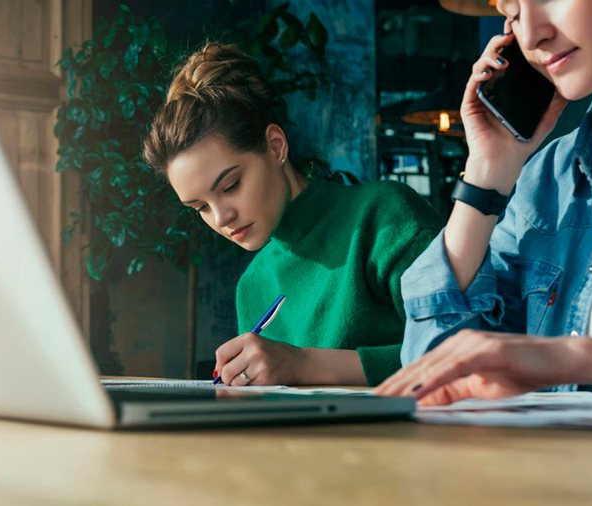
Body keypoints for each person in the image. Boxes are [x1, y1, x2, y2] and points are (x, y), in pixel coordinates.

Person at [377, 0, 592, 403]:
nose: (532, 33)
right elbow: (432, 374)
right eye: (513, 13)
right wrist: (486, 176)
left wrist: (567, 357)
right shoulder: (544, 180)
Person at [143, 43, 441, 387]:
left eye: (231, 186)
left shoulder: (384, 218)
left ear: (275, 147)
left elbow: (468, 351)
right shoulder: (252, 286)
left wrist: (304, 365)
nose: (221, 217)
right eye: (200, 208)